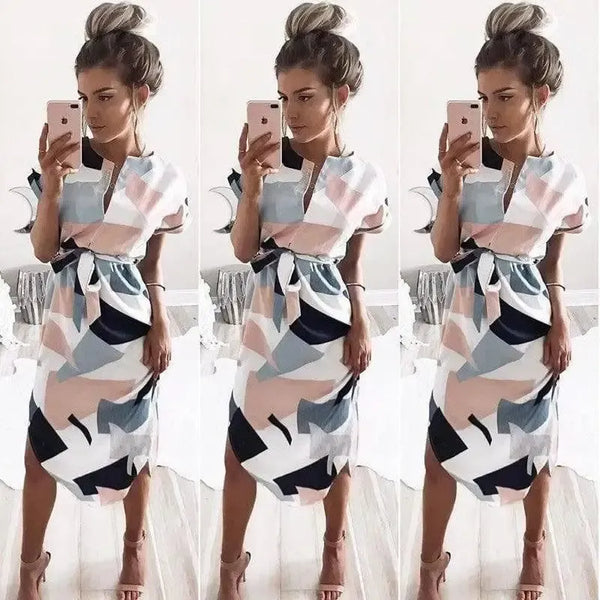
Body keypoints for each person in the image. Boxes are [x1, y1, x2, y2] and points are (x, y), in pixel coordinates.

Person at [218, 3, 390, 599]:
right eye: (283, 98)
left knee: (334, 441)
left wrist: (361, 323)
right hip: (267, 318)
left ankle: (334, 548)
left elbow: (353, 263)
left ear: (341, 95)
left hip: (329, 321)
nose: (290, 113)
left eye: (305, 97)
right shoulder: (263, 165)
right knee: (242, 444)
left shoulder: (366, 179)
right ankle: (229, 564)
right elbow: (245, 250)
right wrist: (252, 186)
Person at [418, 3, 590, 600]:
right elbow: (446, 251)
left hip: (529, 323)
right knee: (441, 447)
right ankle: (429, 565)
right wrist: (452, 187)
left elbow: (552, 263)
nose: (489, 113)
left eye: (505, 97)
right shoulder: (465, 165)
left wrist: (561, 323)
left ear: (541, 95)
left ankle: (534, 546)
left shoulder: (565, 179)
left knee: (534, 444)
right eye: (483, 98)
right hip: (467, 321)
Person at [18, 4, 190, 600]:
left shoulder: (166, 180)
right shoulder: (65, 163)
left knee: (134, 443)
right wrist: (51, 186)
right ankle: (29, 564)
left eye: (105, 97)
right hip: (66, 320)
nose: (90, 113)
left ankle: (134, 547)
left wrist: (161, 322)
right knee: (41, 445)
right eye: (83, 98)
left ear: (141, 95)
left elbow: (152, 264)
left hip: (129, 323)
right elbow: (46, 250)